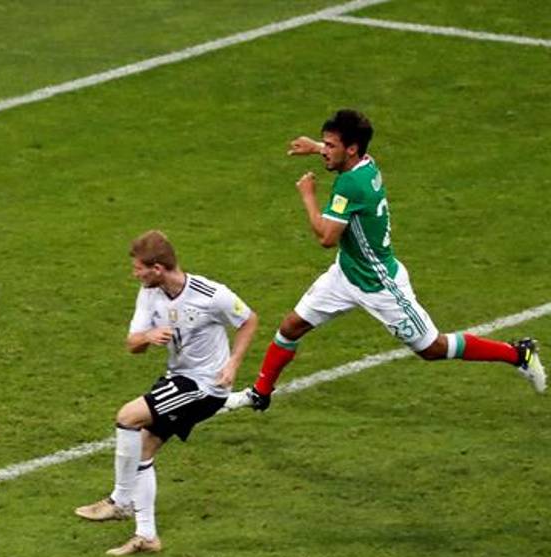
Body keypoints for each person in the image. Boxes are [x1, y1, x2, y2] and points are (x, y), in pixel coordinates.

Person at [226, 108, 544, 413]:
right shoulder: (365, 164)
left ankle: (518, 354)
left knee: (432, 348)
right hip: (346, 274)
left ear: (351, 149)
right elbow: (344, 164)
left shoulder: (350, 185)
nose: (326, 151)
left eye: (331, 146)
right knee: (291, 327)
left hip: (379, 284)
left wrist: (308, 195)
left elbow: (326, 238)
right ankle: (260, 393)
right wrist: (316, 147)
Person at [75, 230, 258, 556]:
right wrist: (148, 337)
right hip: (178, 379)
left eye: (138, 268)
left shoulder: (211, 294)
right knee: (143, 450)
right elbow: (132, 345)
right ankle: (147, 536)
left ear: (157, 269)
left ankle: (120, 501)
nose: (135, 274)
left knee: (127, 416)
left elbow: (249, 320)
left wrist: (233, 362)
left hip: (205, 386)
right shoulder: (149, 294)